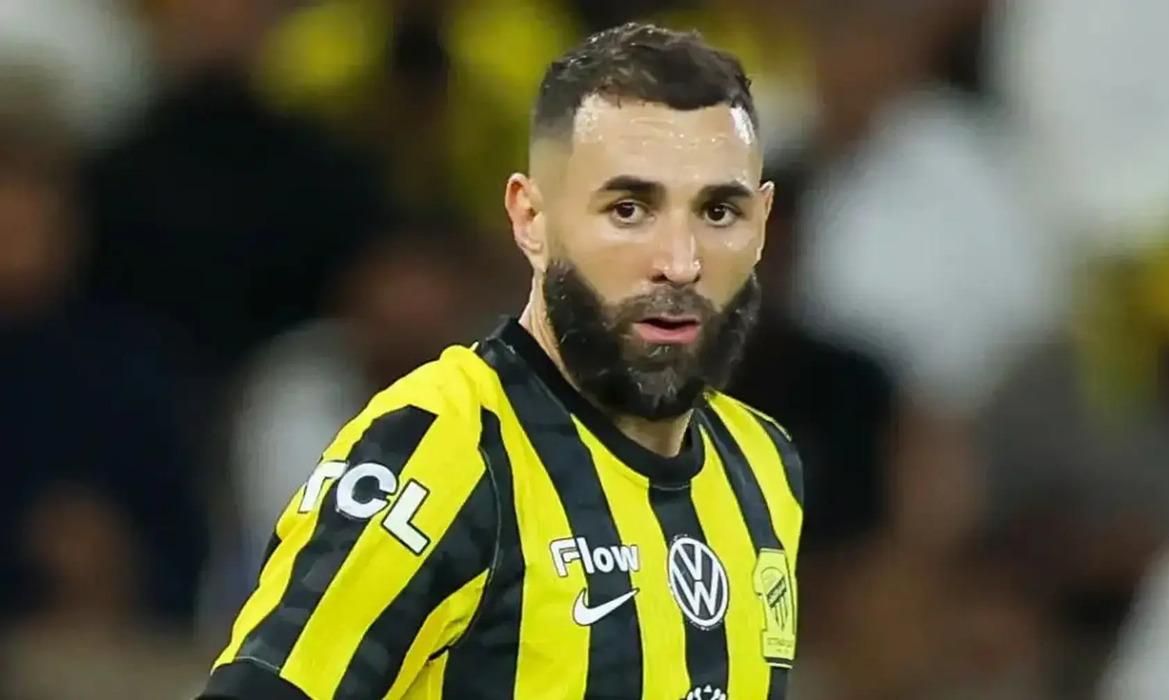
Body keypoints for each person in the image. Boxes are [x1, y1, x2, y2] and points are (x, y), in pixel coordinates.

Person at [201, 23, 803, 700]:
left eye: (719, 211)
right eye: (630, 208)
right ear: (532, 219)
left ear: (762, 223)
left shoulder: (764, 465)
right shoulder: (444, 448)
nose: (680, 262)